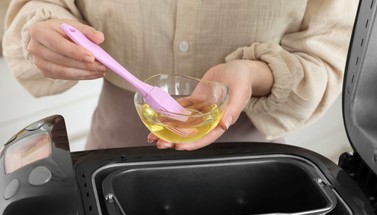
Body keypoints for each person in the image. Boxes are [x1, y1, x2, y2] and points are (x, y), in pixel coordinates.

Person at [2, 0, 358, 151]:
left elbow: (327, 53)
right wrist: (42, 26)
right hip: (112, 148)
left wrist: (254, 74)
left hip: (252, 156)